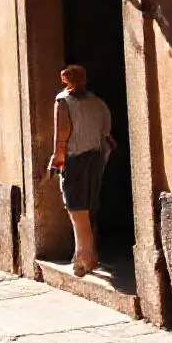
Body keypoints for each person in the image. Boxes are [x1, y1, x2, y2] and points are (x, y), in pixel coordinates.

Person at [50, 64, 115, 277]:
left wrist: (57, 157)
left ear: (67, 80)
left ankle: (86, 256)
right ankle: (82, 256)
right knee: (88, 206)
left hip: (75, 157)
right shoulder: (98, 103)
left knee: (76, 208)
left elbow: (63, 131)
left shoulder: (63, 101)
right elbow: (107, 134)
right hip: (95, 157)